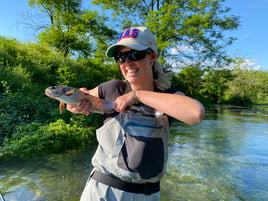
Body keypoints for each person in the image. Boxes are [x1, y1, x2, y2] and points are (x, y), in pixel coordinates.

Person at [67, 27, 205, 201]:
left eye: (135, 54)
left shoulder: (168, 97)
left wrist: (137, 95)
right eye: (120, 57)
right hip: (104, 192)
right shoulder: (112, 88)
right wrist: (74, 103)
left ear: (152, 56)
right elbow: (78, 98)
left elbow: (196, 113)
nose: (127, 62)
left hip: (149, 195)